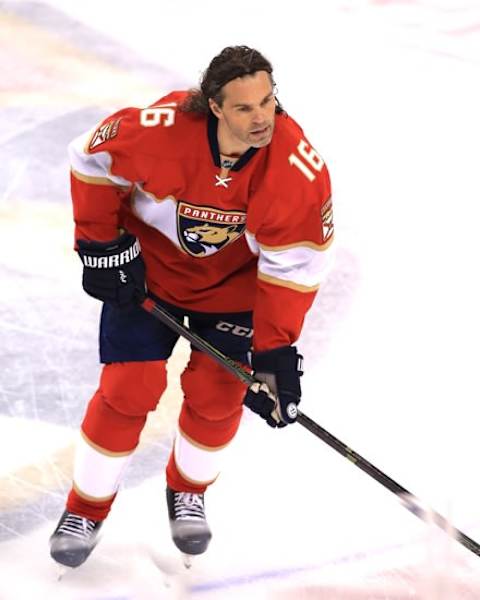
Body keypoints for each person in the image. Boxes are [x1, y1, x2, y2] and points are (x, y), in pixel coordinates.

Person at [49, 45, 334, 568]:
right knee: (127, 389)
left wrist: (273, 353)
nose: (262, 118)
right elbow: (89, 157)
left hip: (233, 293)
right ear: (215, 106)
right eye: (245, 107)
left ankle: (189, 491)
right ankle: (85, 507)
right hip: (147, 277)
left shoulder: (296, 172)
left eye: (269, 102)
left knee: (218, 395)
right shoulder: (161, 131)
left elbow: (294, 269)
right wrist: (100, 244)